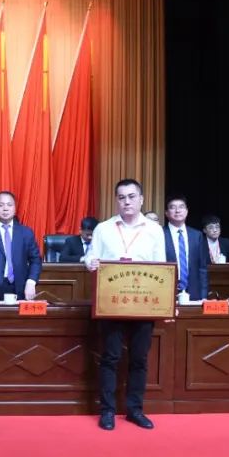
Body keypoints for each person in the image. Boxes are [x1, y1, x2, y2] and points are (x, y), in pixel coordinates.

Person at [85, 178, 166, 431]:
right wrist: (91, 262)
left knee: (139, 359)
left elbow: (161, 266)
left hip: (143, 302)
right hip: (112, 302)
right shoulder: (104, 229)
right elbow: (90, 256)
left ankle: (135, 410)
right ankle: (107, 411)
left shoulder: (154, 230)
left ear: (141, 199)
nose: (127, 201)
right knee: (110, 357)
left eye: (131, 197)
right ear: (116, 201)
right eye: (121, 197)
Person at [163, 195, 209, 300]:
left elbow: (202, 268)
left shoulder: (197, 235)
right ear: (166, 213)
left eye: (181, 207)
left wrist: (203, 296)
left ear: (187, 211)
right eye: (173, 207)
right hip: (167, 292)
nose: (177, 210)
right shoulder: (160, 234)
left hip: (194, 293)